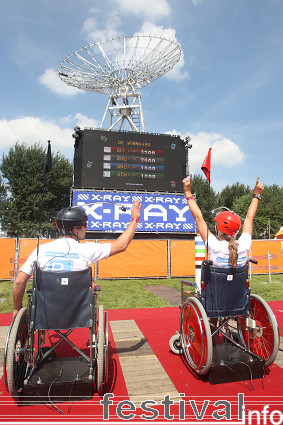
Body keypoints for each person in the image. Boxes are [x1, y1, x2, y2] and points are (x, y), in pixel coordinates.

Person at [12, 200, 141, 318]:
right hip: (78, 311)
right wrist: (135, 219)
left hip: (45, 311)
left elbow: (19, 282)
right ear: (76, 228)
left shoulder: (40, 250)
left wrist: (17, 309)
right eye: (85, 225)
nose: (87, 228)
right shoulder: (87, 249)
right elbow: (121, 245)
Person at [183, 174, 264, 268]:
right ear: (236, 231)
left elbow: (198, 218)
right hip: (238, 283)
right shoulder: (244, 245)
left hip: (215, 283)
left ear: (217, 229)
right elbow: (249, 219)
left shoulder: (214, 246)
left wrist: (187, 192)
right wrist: (256, 195)